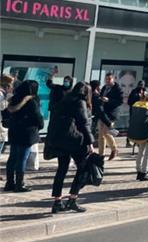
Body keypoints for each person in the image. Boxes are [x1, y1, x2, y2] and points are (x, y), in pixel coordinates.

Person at [44, 82, 93, 213]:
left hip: (60, 139)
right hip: (74, 139)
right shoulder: (80, 101)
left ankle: (57, 202)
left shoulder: (65, 99)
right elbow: (84, 123)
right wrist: (90, 142)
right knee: (83, 168)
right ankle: (73, 198)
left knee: (62, 170)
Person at [4, 80, 44, 192]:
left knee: (12, 158)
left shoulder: (15, 98)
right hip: (26, 133)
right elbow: (37, 116)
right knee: (22, 158)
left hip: (14, 131)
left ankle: (9, 183)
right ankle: (19, 184)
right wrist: (40, 126)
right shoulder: (31, 100)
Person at [127, 87, 148, 181]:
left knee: (140, 152)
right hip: (147, 133)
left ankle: (138, 171)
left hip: (138, 132)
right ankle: (144, 172)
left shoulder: (136, 104)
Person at [99, 72, 122, 159]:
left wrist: (108, 100)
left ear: (113, 79)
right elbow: (101, 97)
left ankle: (114, 149)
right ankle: (101, 154)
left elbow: (119, 101)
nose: (107, 81)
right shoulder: (104, 88)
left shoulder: (117, 89)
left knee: (106, 132)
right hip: (102, 113)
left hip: (111, 114)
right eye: (106, 79)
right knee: (101, 135)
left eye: (109, 79)